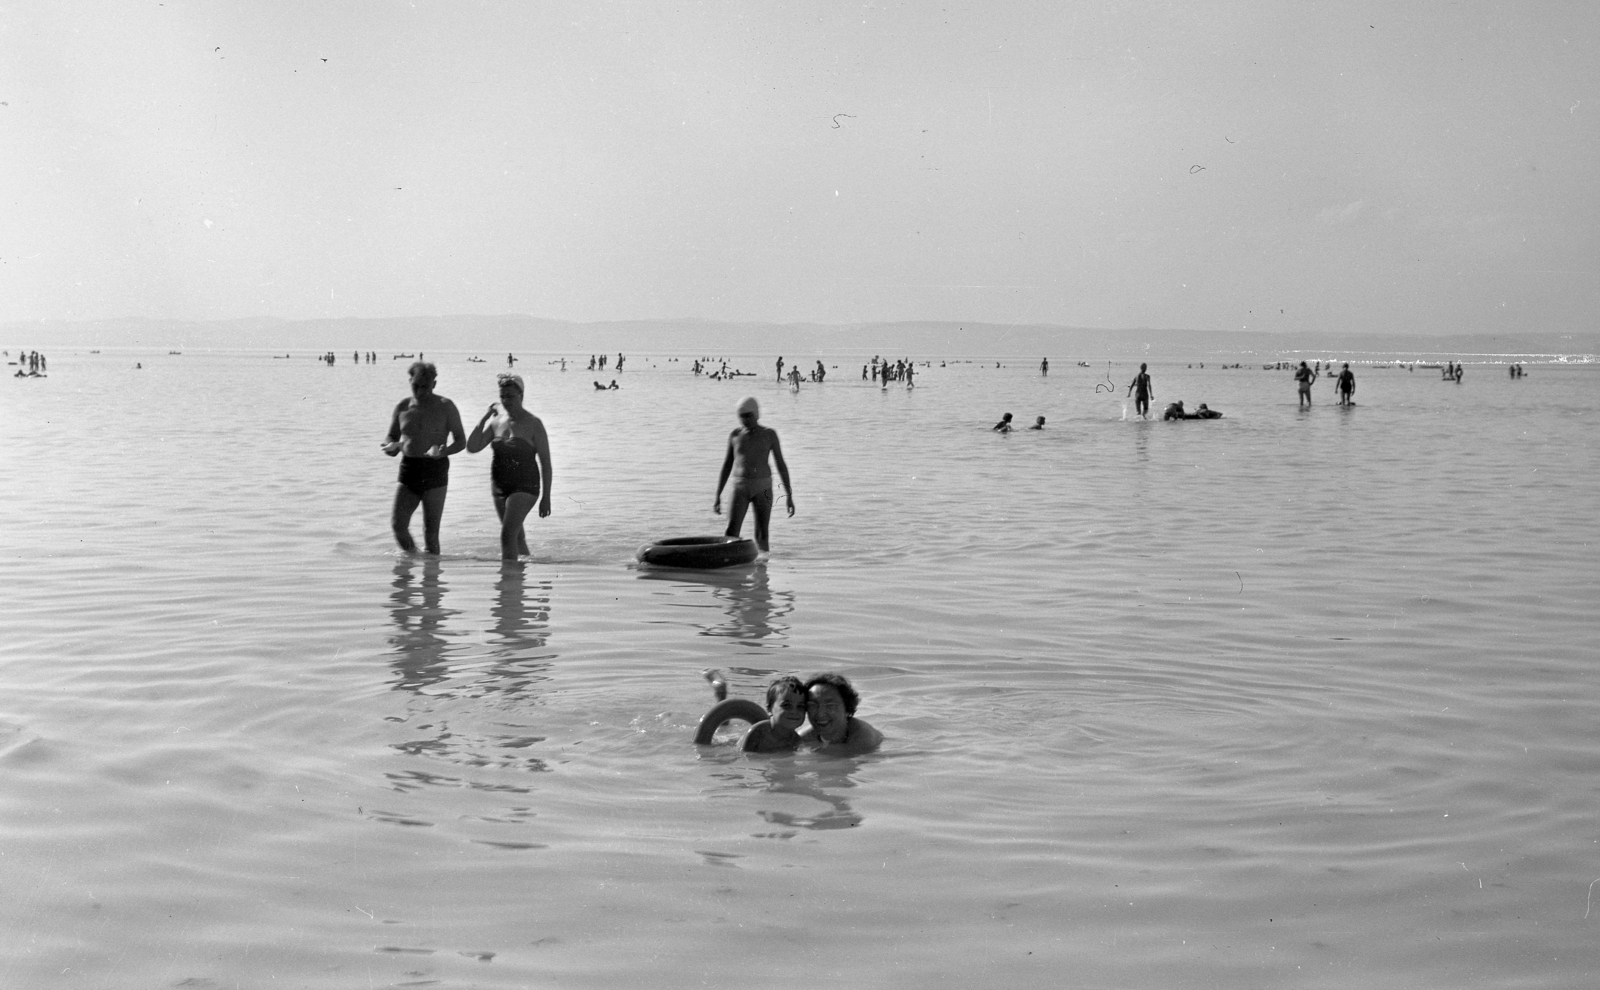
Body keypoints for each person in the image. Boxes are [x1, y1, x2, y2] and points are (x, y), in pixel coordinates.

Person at [382, 361, 466, 554]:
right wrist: (390, 446)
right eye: (416, 386)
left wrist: (444, 451)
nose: (420, 391)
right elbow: (391, 436)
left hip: (435, 468)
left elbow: (461, 441)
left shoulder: (445, 406)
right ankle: (414, 558)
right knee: (398, 525)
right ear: (410, 381)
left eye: (425, 386)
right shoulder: (403, 407)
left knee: (431, 532)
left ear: (434, 384)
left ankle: (432, 572)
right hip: (409, 468)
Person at [466, 373, 552, 560]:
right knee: (517, 537)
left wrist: (546, 497)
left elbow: (546, 463)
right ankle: (519, 574)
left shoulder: (534, 423)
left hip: (525, 487)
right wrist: (485, 417)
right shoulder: (496, 422)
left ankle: (507, 577)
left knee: (507, 535)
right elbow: (472, 447)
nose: (506, 401)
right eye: (502, 396)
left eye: (510, 396)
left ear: (521, 395)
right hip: (499, 487)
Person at [714, 397, 795, 553]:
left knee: (762, 534)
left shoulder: (769, 434)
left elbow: (781, 465)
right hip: (740, 487)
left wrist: (789, 495)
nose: (745, 420)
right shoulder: (735, 435)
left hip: (762, 487)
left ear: (756, 414)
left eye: (748, 416)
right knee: (731, 531)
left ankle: (763, 565)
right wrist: (718, 494)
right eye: (742, 416)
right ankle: (730, 562)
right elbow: (727, 465)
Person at [798, 673, 882, 755]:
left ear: (847, 708)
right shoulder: (803, 738)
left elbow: (848, 754)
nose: (820, 714)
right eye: (812, 705)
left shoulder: (864, 736)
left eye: (830, 706)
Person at [738, 676, 808, 753]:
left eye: (800, 706)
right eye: (786, 705)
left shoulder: (796, 740)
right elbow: (743, 756)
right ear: (769, 709)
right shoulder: (758, 732)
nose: (794, 711)